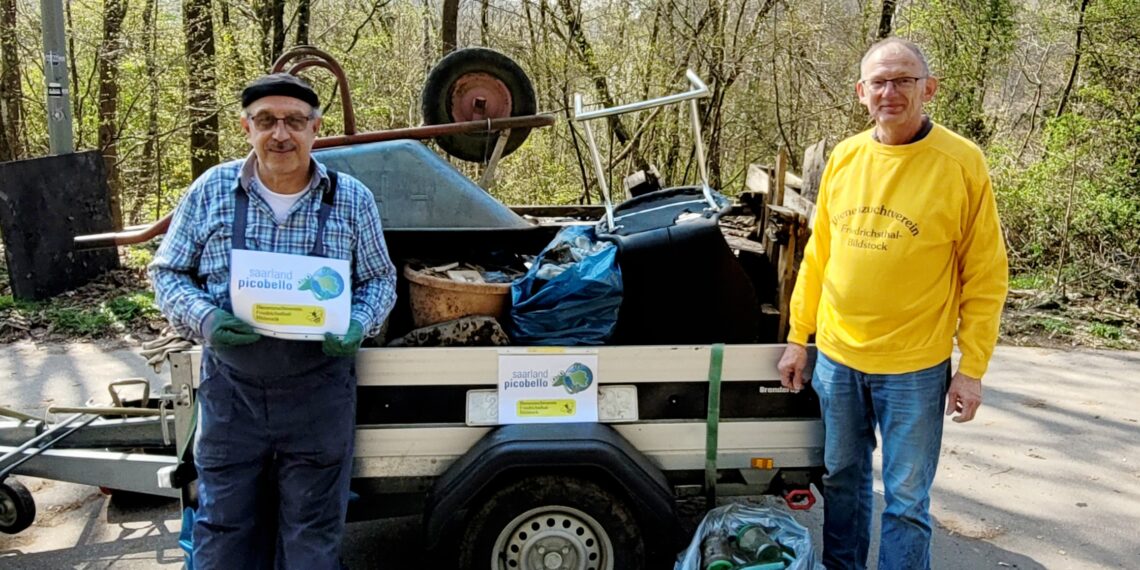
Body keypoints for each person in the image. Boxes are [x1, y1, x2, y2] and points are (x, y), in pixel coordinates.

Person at [776, 38, 1008, 570]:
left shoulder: (961, 162)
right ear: (862, 93)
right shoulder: (846, 156)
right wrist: (799, 337)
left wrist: (971, 369)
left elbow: (987, 274)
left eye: (904, 80)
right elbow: (819, 255)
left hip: (915, 367)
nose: (891, 92)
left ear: (929, 88)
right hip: (837, 360)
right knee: (843, 483)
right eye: (879, 82)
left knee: (905, 502)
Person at [149, 73, 397, 569]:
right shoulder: (211, 190)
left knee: (312, 533)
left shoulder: (352, 199)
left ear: (315, 129)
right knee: (223, 531)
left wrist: (360, 322)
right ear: (247, 127)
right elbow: (168, 272)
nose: (280, 134)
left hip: (319, 395)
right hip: (232, 395)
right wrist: (207, 319)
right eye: (266, 120)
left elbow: (380, 280)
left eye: (294, 121)